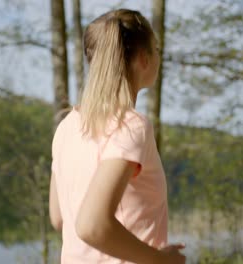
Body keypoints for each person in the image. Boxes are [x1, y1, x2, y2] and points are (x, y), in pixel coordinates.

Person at [49, 8, 186, 264]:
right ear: (144, 59)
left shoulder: (67, 126)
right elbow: (90, 225)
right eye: (157, 50)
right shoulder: (132, 126)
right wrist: (160, 260)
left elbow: (59, 218)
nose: (159, 56)